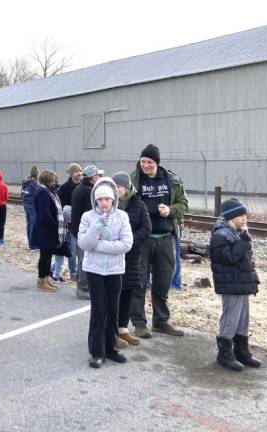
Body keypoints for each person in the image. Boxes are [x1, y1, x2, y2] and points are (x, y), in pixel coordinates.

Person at [129, 144, 189, 338]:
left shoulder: (173, 180)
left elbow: (183, 204)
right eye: (143, 161)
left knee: (163, 282)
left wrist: (170, 210)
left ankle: (161, 321)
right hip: (142, 239)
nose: (145, 165)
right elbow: (123, 204)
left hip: (165, 237)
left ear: (157, 163)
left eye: (150, 162)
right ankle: (139, 322)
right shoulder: (133, 180)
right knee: (139, 281)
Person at [78, 177, 133, 368]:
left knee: (112, 309)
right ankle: (97, 351)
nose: (104, 203)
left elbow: (126, 244)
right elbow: (83, 243)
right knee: (99, 310)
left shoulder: (122, 217)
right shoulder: (88, 217)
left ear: (114, 200)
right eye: (100, 199)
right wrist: (97, 226)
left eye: (107, 199)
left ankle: (110, 347)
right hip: (94, 270)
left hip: (115, 270)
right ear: (95, 199)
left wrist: (98, 245)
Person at [210, 199, 262, 372]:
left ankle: (241, 351)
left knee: (243, 319)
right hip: (230, 283)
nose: (244, 219)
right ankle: (224, 354)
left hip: (241, 283)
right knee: (230, 318)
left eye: (245, 215)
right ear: (231, 217)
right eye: (240, 216)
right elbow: (229, 258)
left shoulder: (238, 232)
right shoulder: (220, 235)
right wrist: (244, 241)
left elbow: (245, 258)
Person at [112, 171, 151, 348]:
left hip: (131, 256)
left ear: (127, 188)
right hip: (113, 256)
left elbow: (146, 228)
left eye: (118, 187)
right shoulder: (109, 204)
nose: (116, 190)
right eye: (114, 187)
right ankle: (111, 331)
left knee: (127, 292)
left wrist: (129, 242)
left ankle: (123, 329)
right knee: (113, 294)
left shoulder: (138, 204)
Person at [70, 165, 103, 300]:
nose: (100, 178)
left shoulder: (79, 188)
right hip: (84, 232)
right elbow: (92, 214)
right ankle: (83, 289)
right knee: (85, 260)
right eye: (98, 176)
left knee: (82, 260)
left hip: (77, 230)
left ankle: (82, 286)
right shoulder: (90, 191)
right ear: (93, 177)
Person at [31, 170, 67, 292]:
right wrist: (56, 225)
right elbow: (44, 214)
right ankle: (41, 280)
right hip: (45, 230)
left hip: (48, 230)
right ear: (48, 180)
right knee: (44, 257)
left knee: (48, 256)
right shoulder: (43, 192)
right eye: (53, 180)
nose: (55, 183)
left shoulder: (46, 191)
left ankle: (46, 278)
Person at [56, 163, 82, 280]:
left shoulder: (83, 185)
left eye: (80, 171)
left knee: (81, 251)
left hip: (83, 223)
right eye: (77, 171)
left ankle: (81, 271)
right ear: (71, 174)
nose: (79, 173)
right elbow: (60, 206)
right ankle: (73, 272)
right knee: (71, 249)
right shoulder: (64, 188)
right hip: (70, 224)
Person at [21, 166, 40, 250]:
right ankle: (33, 245)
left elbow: (22, 195)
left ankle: (30, 244)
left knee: (29, 224)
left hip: (26, 205)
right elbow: (37, 196)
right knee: (33, 225)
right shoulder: (35, 184)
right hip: (32, 206)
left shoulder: (25, 183)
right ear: (37, 175)